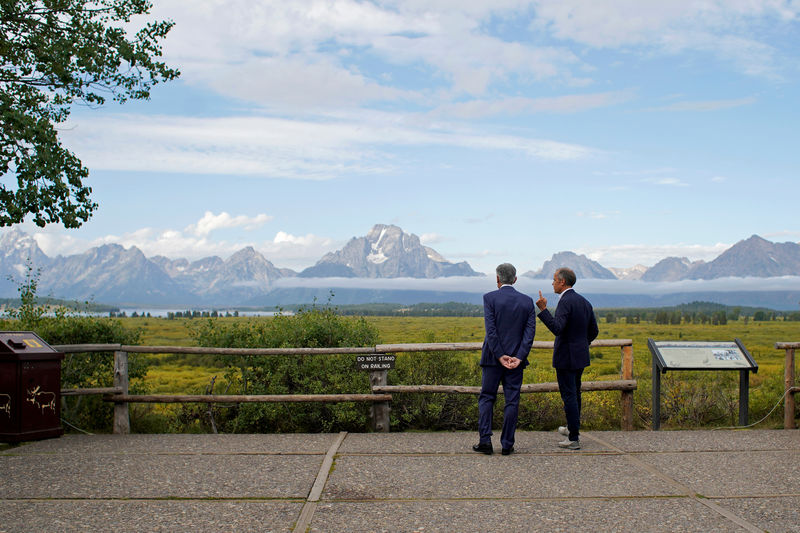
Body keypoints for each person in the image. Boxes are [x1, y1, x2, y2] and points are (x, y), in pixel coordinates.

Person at [473, 263, 536, 456]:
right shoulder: (527, 301)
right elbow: (529, 333)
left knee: (486, 398)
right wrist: (518, 356)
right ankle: (507, 444)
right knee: (512, 401)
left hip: (493, 359)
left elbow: (491, 331)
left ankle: (485, 441)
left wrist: (500, 355)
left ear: (497, 279)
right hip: (516, 362)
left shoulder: (489, 298)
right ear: (515, 279)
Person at [536, 267, 598, 450]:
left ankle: (573, 438)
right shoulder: (584, 302)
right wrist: (580, 345)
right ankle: (572, 428)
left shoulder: (565, 302)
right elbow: (594, 331)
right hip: (580, 357)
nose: (553, 283)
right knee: (576, 394)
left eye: (554, 280)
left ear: (562, 282)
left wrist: (543, 310)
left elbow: (557, 328)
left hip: (566, 357)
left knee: (569, 396)